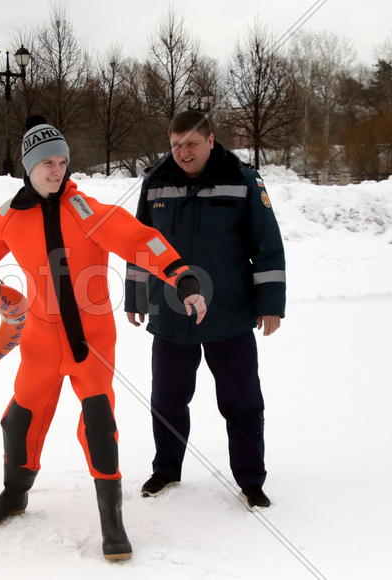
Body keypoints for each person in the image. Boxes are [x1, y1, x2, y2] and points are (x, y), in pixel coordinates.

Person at [0, 116, 207, 560]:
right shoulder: (8, 217)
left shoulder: (87, 212)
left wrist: (181, 276)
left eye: (62, 162)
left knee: (100, 426)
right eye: (47, 163)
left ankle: (112, 520)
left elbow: (140, 240)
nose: (57, 170)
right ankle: (14, 494)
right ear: (29, 167)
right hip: (40, 342)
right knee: (20, 420)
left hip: (91, 342)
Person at [125, 111, 286, 509]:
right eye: (176, 145)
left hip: (228, 311)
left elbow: (267, 244)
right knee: (167, 400)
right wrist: (136, 296)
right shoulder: (156, 181)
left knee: (242, 401)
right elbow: (140, 243)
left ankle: (251, 480)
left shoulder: (243, 180)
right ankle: (166, 469)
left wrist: (270, 304)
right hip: (171, 312)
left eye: (192, 144)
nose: (183, 153)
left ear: (211, 141)